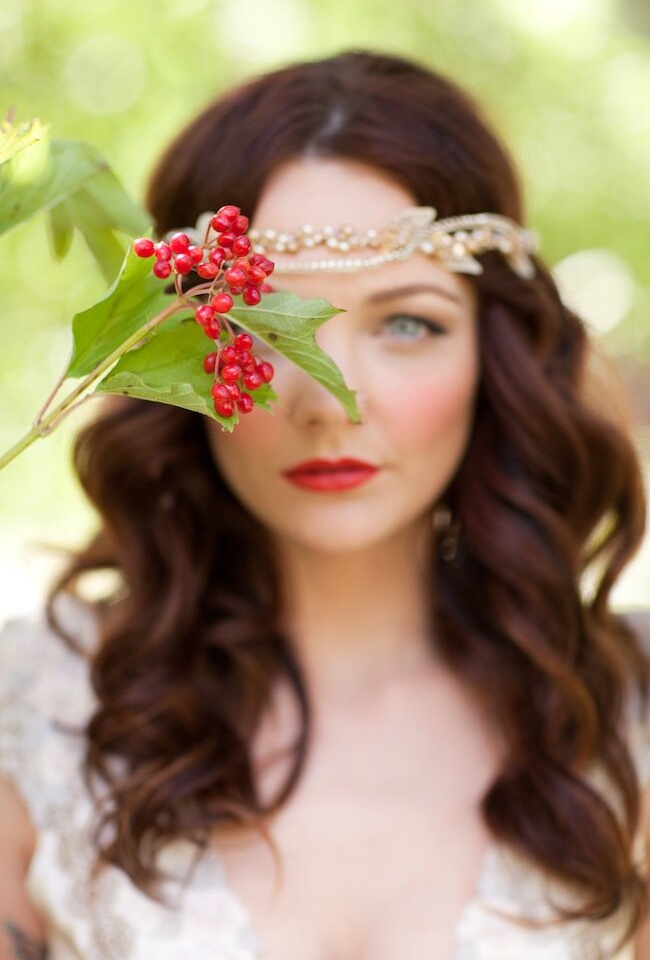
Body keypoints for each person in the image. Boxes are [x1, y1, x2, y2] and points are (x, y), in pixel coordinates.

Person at [1, 47, 649, 960]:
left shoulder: (620, 713)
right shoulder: (39, 703)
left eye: (408, 323)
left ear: (492, 358)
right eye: (269, 328)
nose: (332, 399)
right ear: (176, 359)